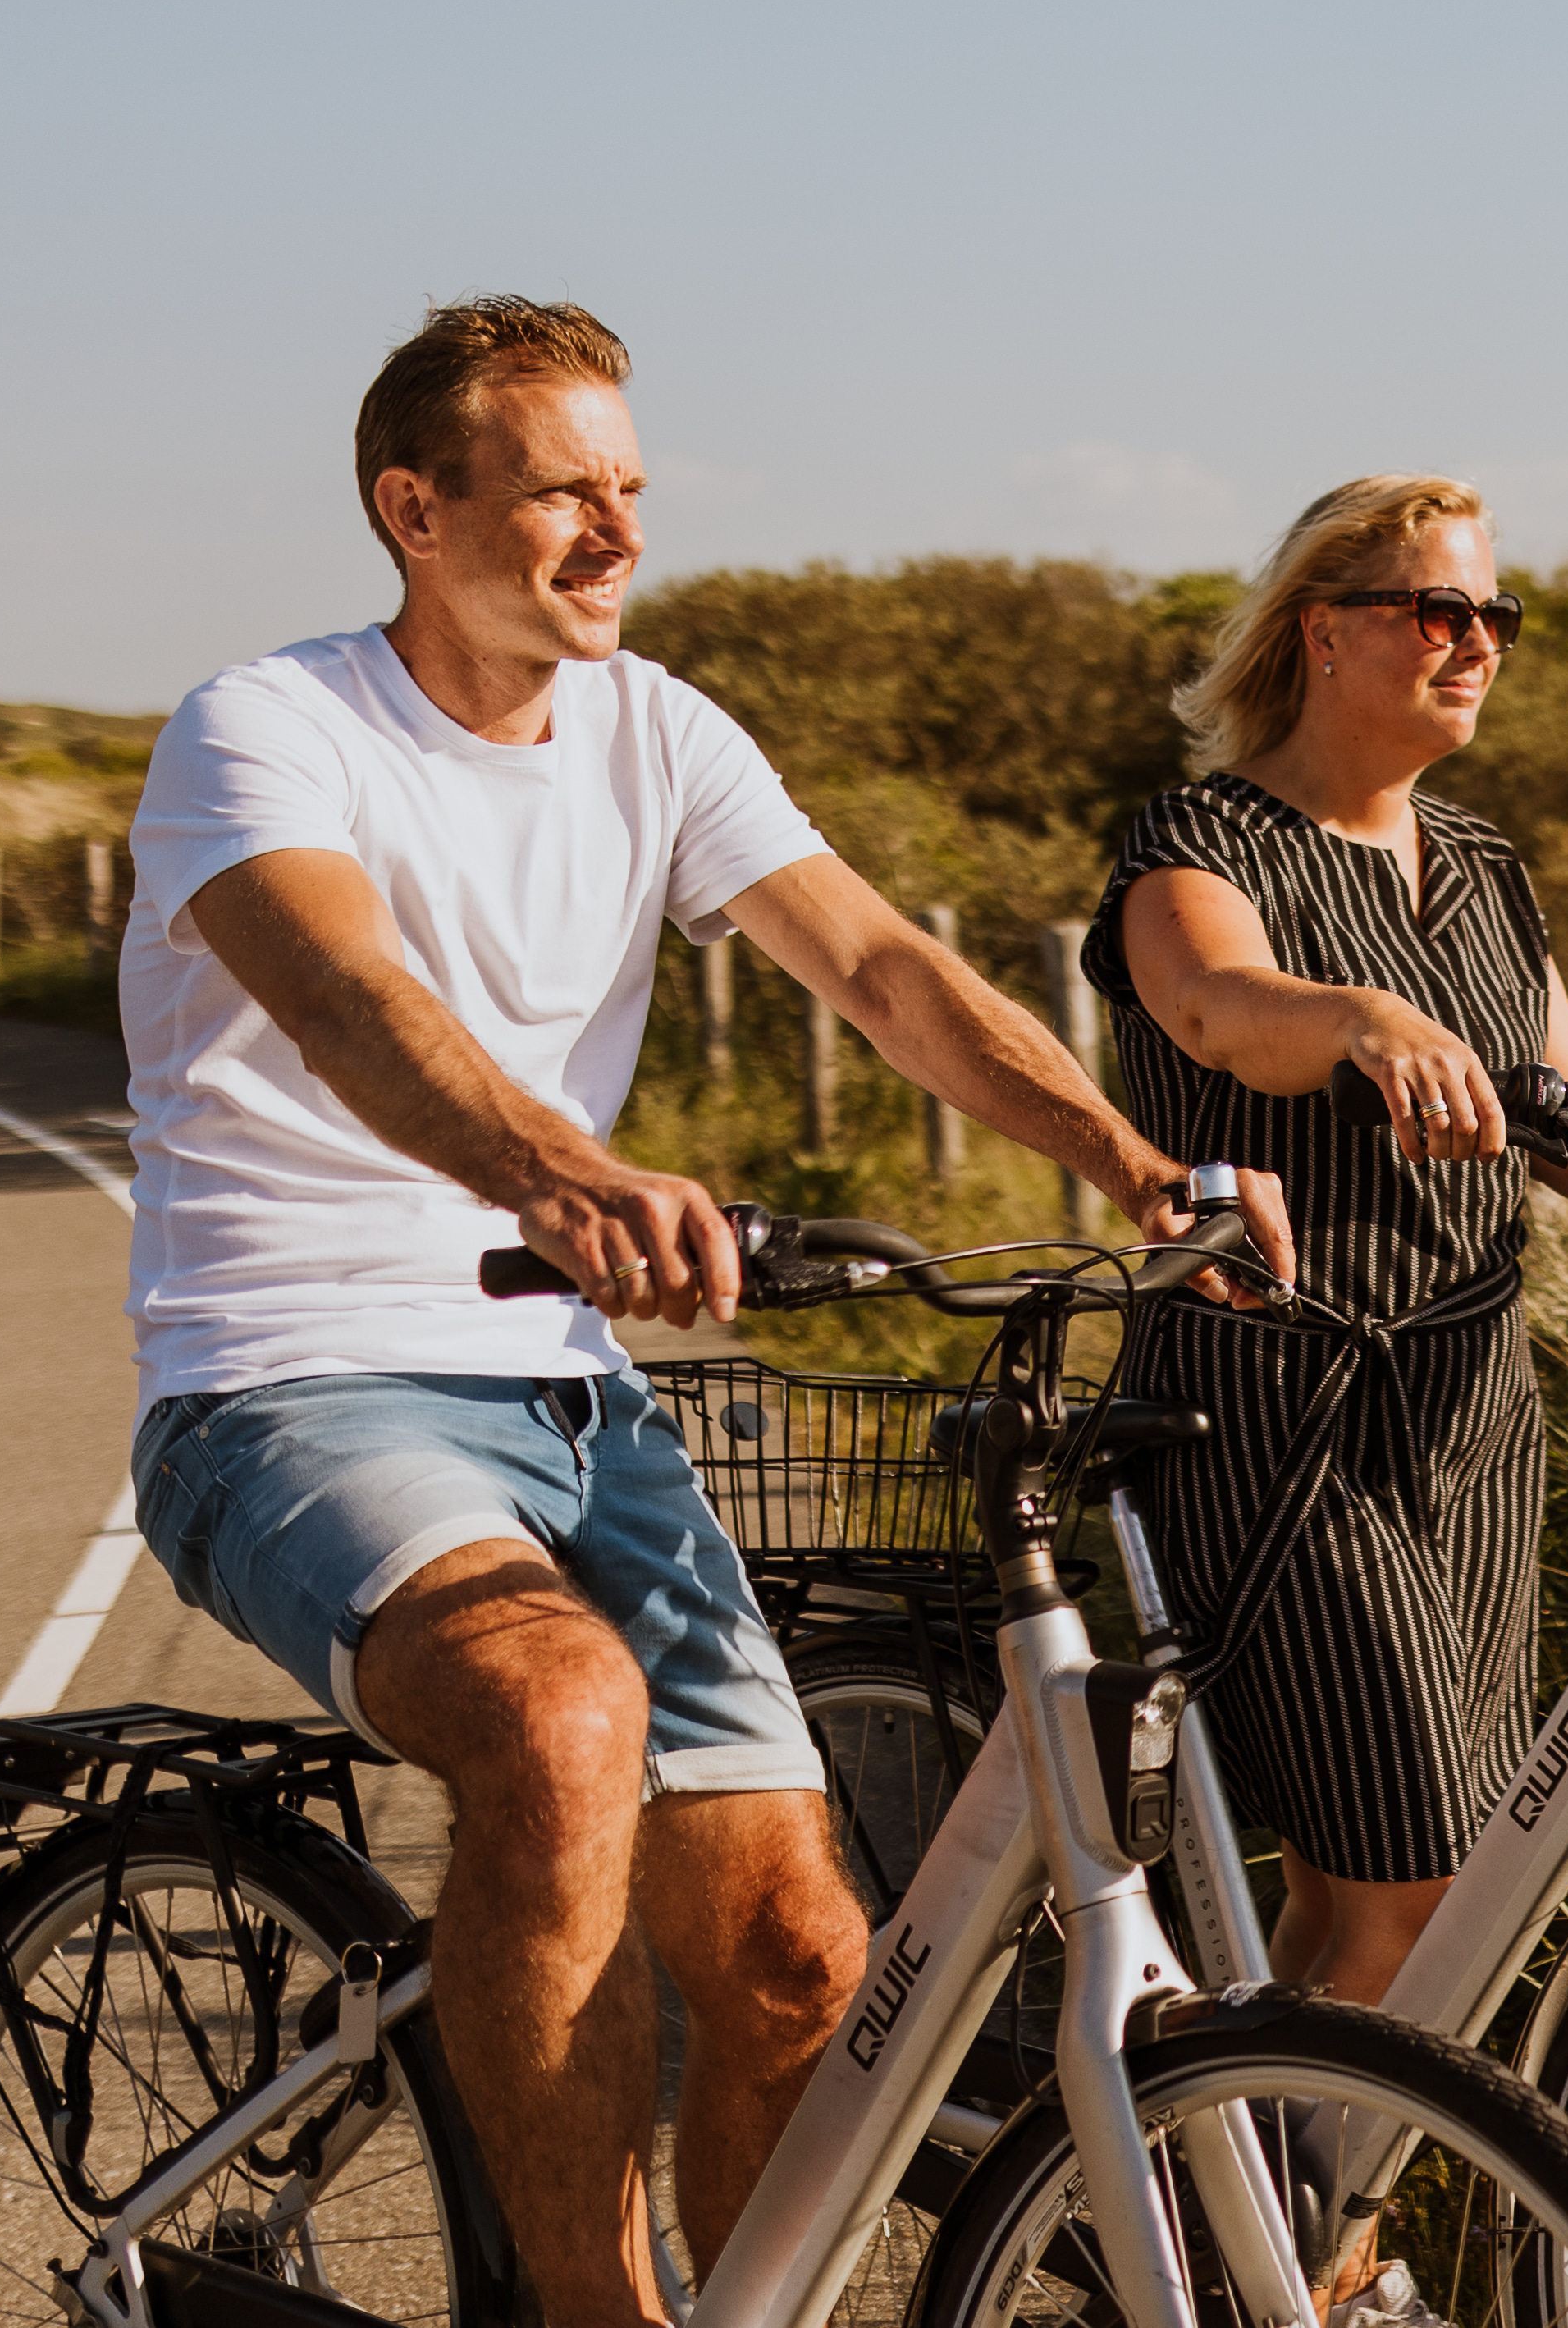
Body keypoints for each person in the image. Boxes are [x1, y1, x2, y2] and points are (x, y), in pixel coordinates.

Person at [118, 297, 1291, 2328]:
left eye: (631, 487)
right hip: (290, 1380)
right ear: (415, 507)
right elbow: (351, 999)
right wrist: (561, 1175)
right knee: (562, 1718)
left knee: (794, 1955)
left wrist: (1133, 1165)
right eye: (562, 488)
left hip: (569, 1394)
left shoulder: (656, 727)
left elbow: (885, 973)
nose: (618, 529)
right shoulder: (265, 731)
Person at [1084, 473, 1568, 2018]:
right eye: (1439, 610)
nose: (1477, 644)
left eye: (1495, 615)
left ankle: (1248, 2165)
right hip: (1277, 1415)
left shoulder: (1482, 865)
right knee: (1427, 1892)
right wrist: (1362, 1019)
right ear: (1322, 631)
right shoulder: (1199, 843)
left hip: (1474, 1414)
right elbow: (1216, 1009)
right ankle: (1321, 2181)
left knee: (1367, 1889)